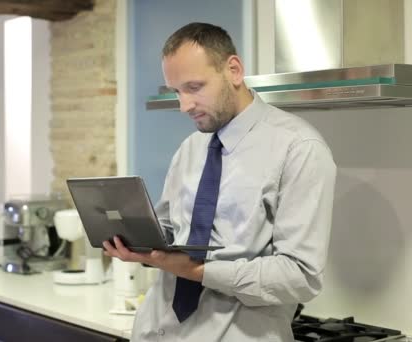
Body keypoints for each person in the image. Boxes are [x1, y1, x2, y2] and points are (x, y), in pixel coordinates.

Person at [103, 22, 337, 341]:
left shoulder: (299, 150)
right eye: (176, 91)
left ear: (234, 70)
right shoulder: (191, 148)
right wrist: (136, 240)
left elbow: (299, 277)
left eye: (194, 87)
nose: (184, 106)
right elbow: (171, 229)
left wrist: (197, 271)